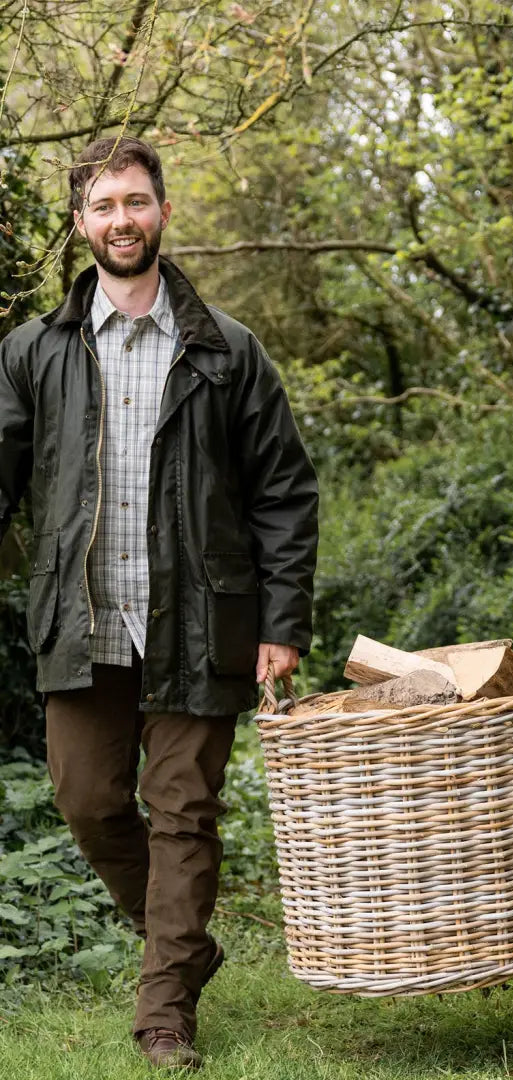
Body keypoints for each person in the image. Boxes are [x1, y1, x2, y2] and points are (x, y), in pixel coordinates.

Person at [0, 136, 319, 1070]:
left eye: (135, 202)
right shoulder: (32, 353)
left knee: (183, 810)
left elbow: (284, 492)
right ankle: (181, 944)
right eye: (102, 207)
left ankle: (164, 1009)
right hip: (81, 619)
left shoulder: (226, 349)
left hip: (201, 618)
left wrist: (283, 620)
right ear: (80, 223)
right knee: (88, 800)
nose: (121, 221)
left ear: (164, 213)